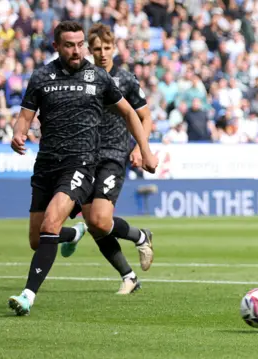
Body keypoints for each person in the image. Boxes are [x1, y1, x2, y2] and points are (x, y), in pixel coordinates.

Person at [8, 21, 158, 316]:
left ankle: (28, 295)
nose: (77, 51)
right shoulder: (41, 77)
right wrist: (18, 132)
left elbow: (131, 113)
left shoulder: (100, 77)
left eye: (79, 45)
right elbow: (25, 116)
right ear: (56, 47)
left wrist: (145, 150)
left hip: (83, 163)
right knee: (37, 238)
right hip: (46, 164)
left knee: (63, 222)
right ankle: (74, 235)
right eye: (69, 45)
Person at [58, 24, 154, 295]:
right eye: (97, 48)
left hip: (113, 154)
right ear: (89, 48)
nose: (102, 53)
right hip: (83, 156)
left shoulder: (125, 80)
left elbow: (145, 117)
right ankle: (129, 276)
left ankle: (140, 237)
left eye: (107, 48)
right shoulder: (82, 77)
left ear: (114, 48)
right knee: (95, 224)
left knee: (99, 220)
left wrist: (140, 148)